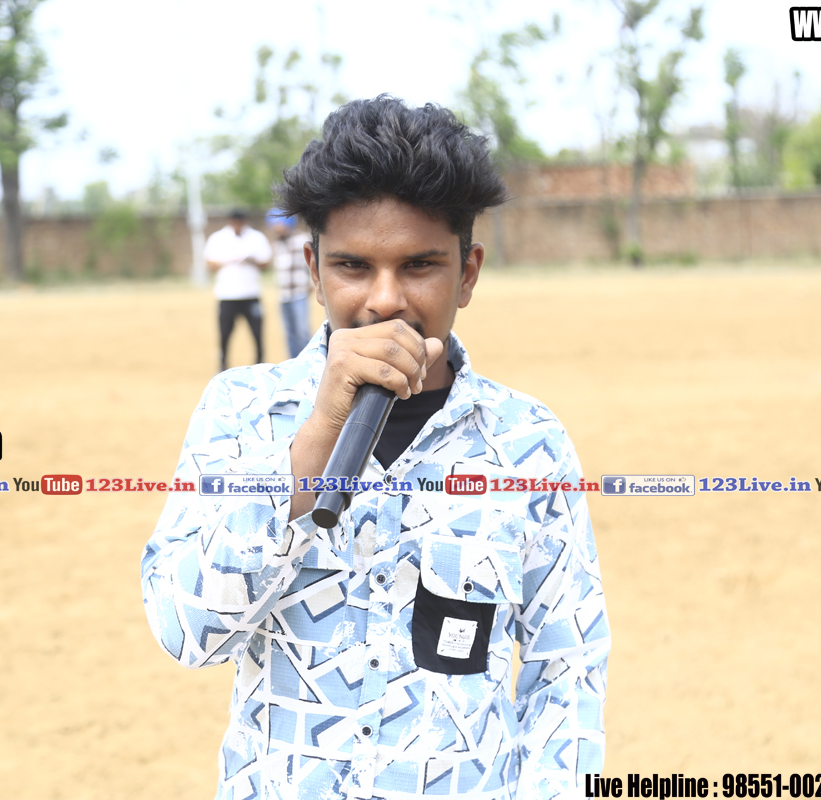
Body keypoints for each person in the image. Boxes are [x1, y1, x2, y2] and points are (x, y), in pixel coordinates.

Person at [141, 96, 610, 799]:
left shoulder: (528, 444)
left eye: (419, 265)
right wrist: (315, 439)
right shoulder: (240, 412)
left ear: (468, 273)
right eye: (354, 266)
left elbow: (566, 670)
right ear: (314, 269)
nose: (385, 299)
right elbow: (189, 631)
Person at [204, 209, 272, 371]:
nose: (237, 226)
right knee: (225, 333)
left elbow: (266, 263)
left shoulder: (256, 238)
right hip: (227, 294)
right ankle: (223, 364)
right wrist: (228, 260)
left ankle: (260, 364)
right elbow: (210, 264)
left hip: (251, 293)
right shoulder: (218, 238)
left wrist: (251, 260)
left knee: (257, 332)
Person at [266, 207, 314, 359]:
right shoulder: (277, 244)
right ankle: (294, 362)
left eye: (279, 224)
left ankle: (308, 362)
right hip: (284, 295)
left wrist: (311, 283)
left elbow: (314, 262)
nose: (276, 228)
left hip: (299, 293)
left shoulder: (302, 240)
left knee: (302, 331)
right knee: (290, 333)